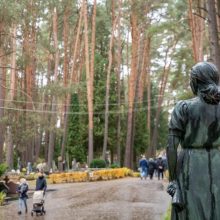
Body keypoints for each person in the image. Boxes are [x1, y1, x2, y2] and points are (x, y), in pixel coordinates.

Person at [167, 62, 220, 220]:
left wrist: (173, 180)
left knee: (190, 213)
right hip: (218, 166)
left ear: (195, 81)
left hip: (190, 169)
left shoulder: (183, 108)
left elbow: (171, 146)